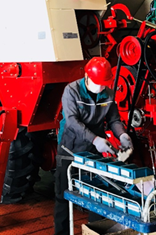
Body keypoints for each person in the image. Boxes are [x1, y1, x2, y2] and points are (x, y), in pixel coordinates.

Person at [53, 57, 134, 235]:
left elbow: (113, 120)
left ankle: (93, 231)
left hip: (92, 152)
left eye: (104, 84)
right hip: (69, 148)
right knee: (63, 195)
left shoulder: (108, 94)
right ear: (87, 77)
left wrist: (122, 135)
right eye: (98, 83)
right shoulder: (71, 91)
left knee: (96, 194)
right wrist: (95, 139)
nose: (100, 88)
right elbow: (72, 121)